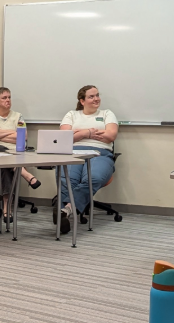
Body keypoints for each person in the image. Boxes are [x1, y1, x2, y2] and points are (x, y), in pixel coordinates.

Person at [58, 85, 119, 234]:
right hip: (73, 152)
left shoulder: (107, 114)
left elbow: (111, 135)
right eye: (91, 96)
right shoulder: (72, 114)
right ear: (82, 101)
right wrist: (89, 132)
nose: (96, 99)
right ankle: (64, 215)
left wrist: (77, 133)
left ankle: (66, 210)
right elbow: (63, 137)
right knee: (67, 178)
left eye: (97, 95)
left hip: (100, 153)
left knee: (93, 178)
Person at [0, 87, 41, 189]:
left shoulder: (18, 116)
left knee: (5, 166)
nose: (8, 100)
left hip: (13, 152)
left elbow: (23, 136)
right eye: (4, 98)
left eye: (9, 97)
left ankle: (1, 200)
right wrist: (12, 132)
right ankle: (27, 175)